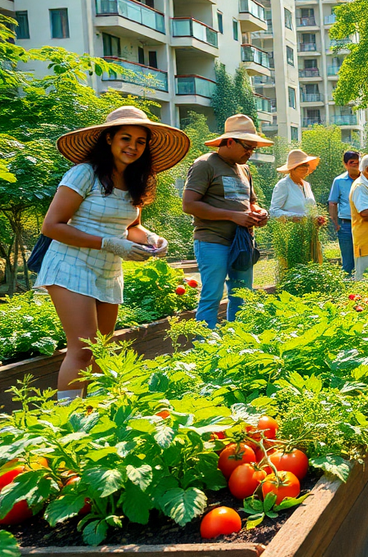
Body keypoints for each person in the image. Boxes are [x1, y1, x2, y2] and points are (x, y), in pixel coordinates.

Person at [37, 106, 190, 401]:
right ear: (109, 139)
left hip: (107, 271)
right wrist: (110, 243)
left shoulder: (136, 179)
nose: (132, 146)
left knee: (99, 351)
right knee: (82, 350)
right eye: (125, 138)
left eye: (140, 141)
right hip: (70, 263)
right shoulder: (84, 173)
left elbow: (131, 225)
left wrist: (152, 238)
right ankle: (66, 424)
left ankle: (92, 418)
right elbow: (52, 226)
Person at [182, 114, 271, 329]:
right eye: (247, 147)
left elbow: (250, 202)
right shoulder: (205, 164)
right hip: (213, 240)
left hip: (241, 242)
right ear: (230, 141)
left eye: (253, 148)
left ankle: (237, 345)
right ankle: (204, 348)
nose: (250, 152)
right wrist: (233, 216)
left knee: (242, 295)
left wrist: (260, 212)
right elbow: (189, 204)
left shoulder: (244, 169)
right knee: (212, 295)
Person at [270, 148, 323, 264]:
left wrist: (317, 219)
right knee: (294, 266)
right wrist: (295, 217)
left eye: (306, 165)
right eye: (302, 165)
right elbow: (274, 211)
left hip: (310, 234)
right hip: (292, 235)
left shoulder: (306, 185)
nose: (305, 168)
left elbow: (310, 209)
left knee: (312, 265)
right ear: (292, 169)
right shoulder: (283, 185)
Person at [327, 151, 360, 274]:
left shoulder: (366, 179)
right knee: (348, 261)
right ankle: (348, 285)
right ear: (345, 164)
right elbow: (333, 203)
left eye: (358, 162)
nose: (355, 165)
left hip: (364, 223)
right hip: (346, 224)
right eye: (352, 162)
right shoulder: (339, 181)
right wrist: (336, 224)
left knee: (364, 257)